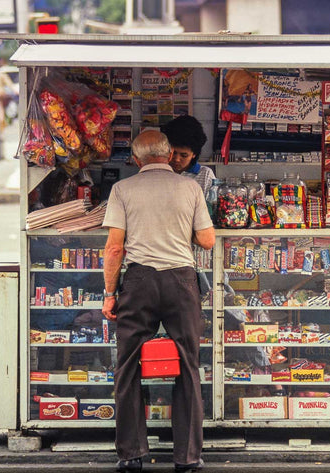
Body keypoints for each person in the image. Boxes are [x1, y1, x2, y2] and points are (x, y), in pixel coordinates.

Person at [101, 130, 215, 473]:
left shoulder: (122, 190)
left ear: (136, 160)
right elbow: (207, 241)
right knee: (187, 366)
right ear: (168, 156)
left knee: (128, 366)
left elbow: (114, 248)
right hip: (181, 281)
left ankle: (131, 453)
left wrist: (109, 294)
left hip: (139, 282)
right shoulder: (190, 188)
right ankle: (188, 457)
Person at [161, 115, 215, 196]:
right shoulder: (159, 172)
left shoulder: (205, 175)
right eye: (173, 153)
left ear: (194, 154)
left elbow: (211, 206)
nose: (176, 159)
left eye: (184, 155)